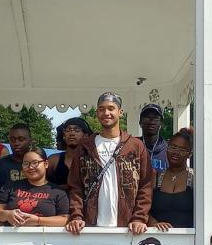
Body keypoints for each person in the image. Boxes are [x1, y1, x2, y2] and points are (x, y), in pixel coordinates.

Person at [65, 92, 154, 235]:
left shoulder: (135, 146)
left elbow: (146, 186)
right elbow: (75, 186)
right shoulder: (85, 147)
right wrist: (76, 216)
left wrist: (139, 218)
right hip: (89, 226)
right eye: (101, 109)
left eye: (111, 108)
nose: (106, 113)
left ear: (120, 112)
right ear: (97, 112)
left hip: (127, 226)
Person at [0, 146, 71, 226]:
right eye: (26, 163)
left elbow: (65, 219)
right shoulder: (10, 186)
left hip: (44, 238)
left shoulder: (58, 192)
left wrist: (38, 221)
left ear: (46, 164)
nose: (30, 167)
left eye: (35, 163)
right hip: (11, 236)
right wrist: (7, 215)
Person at [149, 129, 195, 231]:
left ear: (189, 154)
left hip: (188, 239)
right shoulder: (155, 177)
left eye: (182, 150)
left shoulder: (195, 178)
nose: (176, 152)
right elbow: (144, 207)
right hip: (157, 236)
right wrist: (154, 223)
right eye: (173, 147)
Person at [0, 123, 34, 205]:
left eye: (21, 139)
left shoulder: (38, 165)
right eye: (13, 139)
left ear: (30, 141)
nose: (16, 143)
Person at [47, 117, 92, 189]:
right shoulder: (53, 161)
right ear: (64, 136)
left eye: (77, 130)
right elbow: (42, 186)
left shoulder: (92, 160)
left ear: (85, 136)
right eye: (68, 130)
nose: (72, 133)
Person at [139, 103, 169, 175]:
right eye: (147, 117)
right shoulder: (132, 147)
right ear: (140, 123)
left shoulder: (168, 149)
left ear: (161, 124)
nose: (151, 121)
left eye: (156, 118)